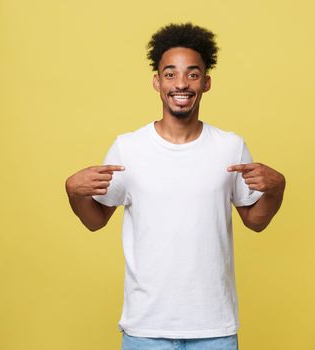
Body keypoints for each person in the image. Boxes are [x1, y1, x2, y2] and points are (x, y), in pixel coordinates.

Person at [65, 22, 286, 350]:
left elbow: (255, 221)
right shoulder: (129, 148)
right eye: (170, 74)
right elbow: (96, 220)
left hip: (214, 327)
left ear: (206, 83)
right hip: (146, 327)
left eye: (192, 74)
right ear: (157, 82)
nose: (181, 83)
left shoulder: (229, 146)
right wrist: (72, 191)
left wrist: (277, 188)